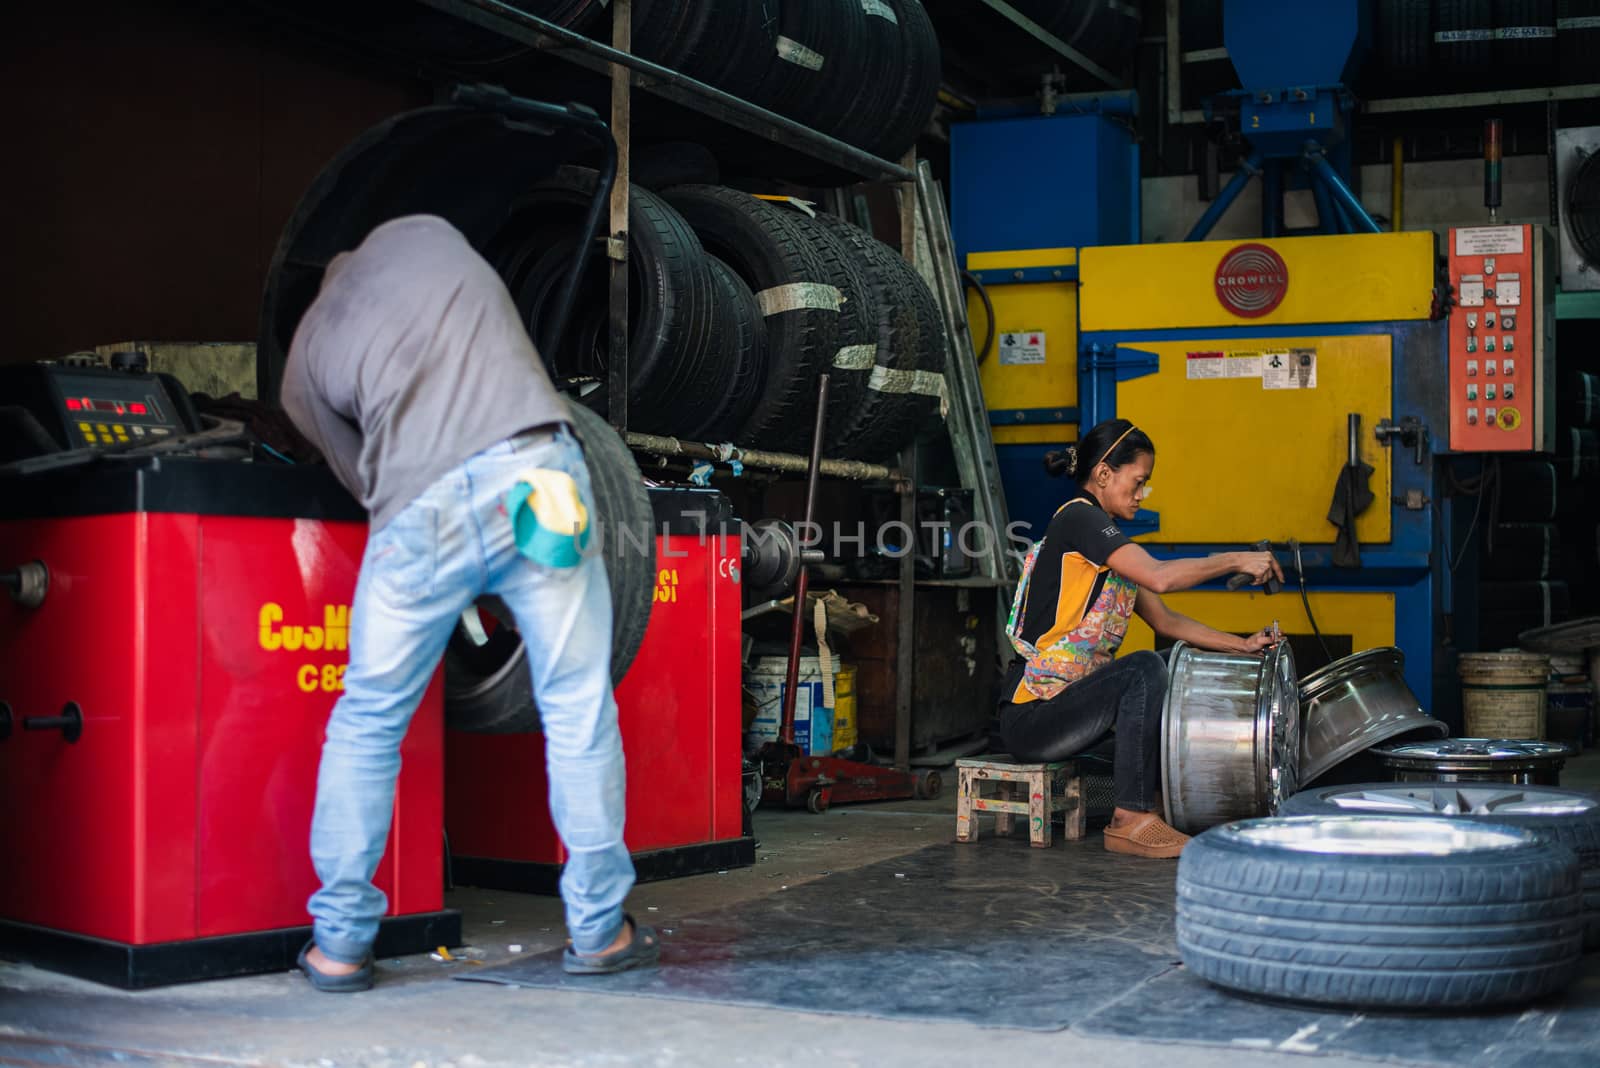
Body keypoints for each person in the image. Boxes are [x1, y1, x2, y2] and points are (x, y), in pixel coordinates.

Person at [280, 215, 657, 991]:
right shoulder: (432, 233)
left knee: (369, 718)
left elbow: (362, 478)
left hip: (422, 512)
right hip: (540, 476)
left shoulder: (306, 354)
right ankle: (598, 933)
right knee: (576, 705)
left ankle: (341, 945)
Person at [1000, 418, 1284, 859]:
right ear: (1104, 474)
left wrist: (1242, 644)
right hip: (1033, 713)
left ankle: (1147, 805)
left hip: (1068, 707)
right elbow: (1161, 577)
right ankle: (1129, 820)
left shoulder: (1104, 538)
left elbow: (1166, 622)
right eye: (1138, 481)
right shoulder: (1081, 517)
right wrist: (1235, 559)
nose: (1142, 493)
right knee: (1144, 668)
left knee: (1170, 667)